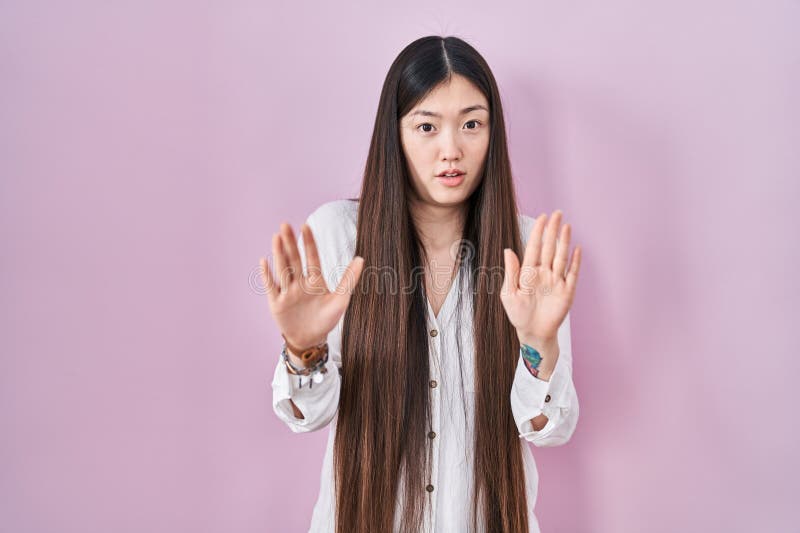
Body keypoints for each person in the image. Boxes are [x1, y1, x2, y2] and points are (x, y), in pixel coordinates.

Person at [259, 35, 582, 533]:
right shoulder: (340, 236)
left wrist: (538, 347)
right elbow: (307, 415)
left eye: (471, 124)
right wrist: (304, 349)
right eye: (427, 126)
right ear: (395, 134)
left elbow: (547, 429)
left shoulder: (525, 248)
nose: (450, 150)